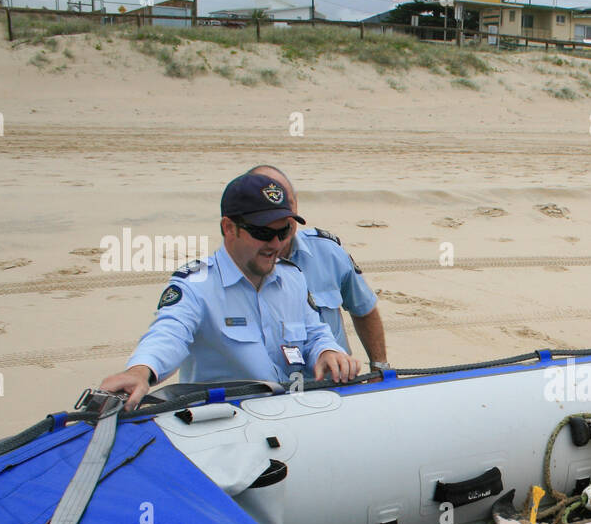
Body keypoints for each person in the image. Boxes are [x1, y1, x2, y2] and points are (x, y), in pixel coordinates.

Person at [100, 174, 359, 409]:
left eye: (284, 232)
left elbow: (314, 332)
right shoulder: (195, 285)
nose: (276, 244)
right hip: (227, 426)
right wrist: (140, 372)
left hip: (292, 414)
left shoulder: (293, 278)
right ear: (228, 228)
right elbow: (169, 333)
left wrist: (327, 351)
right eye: (262, 232)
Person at [246, 165, 389, 370]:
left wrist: (379, 366)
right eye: (268, 210)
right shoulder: (230, 272)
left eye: (287, 205)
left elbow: (363, 308)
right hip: (274, 392)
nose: (282, 218)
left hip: (336, 383)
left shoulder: (328, 252)